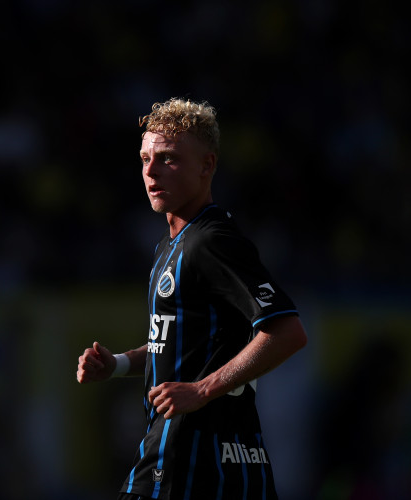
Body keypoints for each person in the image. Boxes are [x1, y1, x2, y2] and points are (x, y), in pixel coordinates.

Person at [76, 98, 307, 500]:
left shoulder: (210, 241)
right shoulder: (172, 245)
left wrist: (201, 390)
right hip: (225, 463)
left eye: (168, 159)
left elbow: (287, 332)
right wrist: (116, 365)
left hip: (190, 463)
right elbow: (179, 342)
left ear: (207, 165)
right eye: (145, 159)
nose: (151, 171)